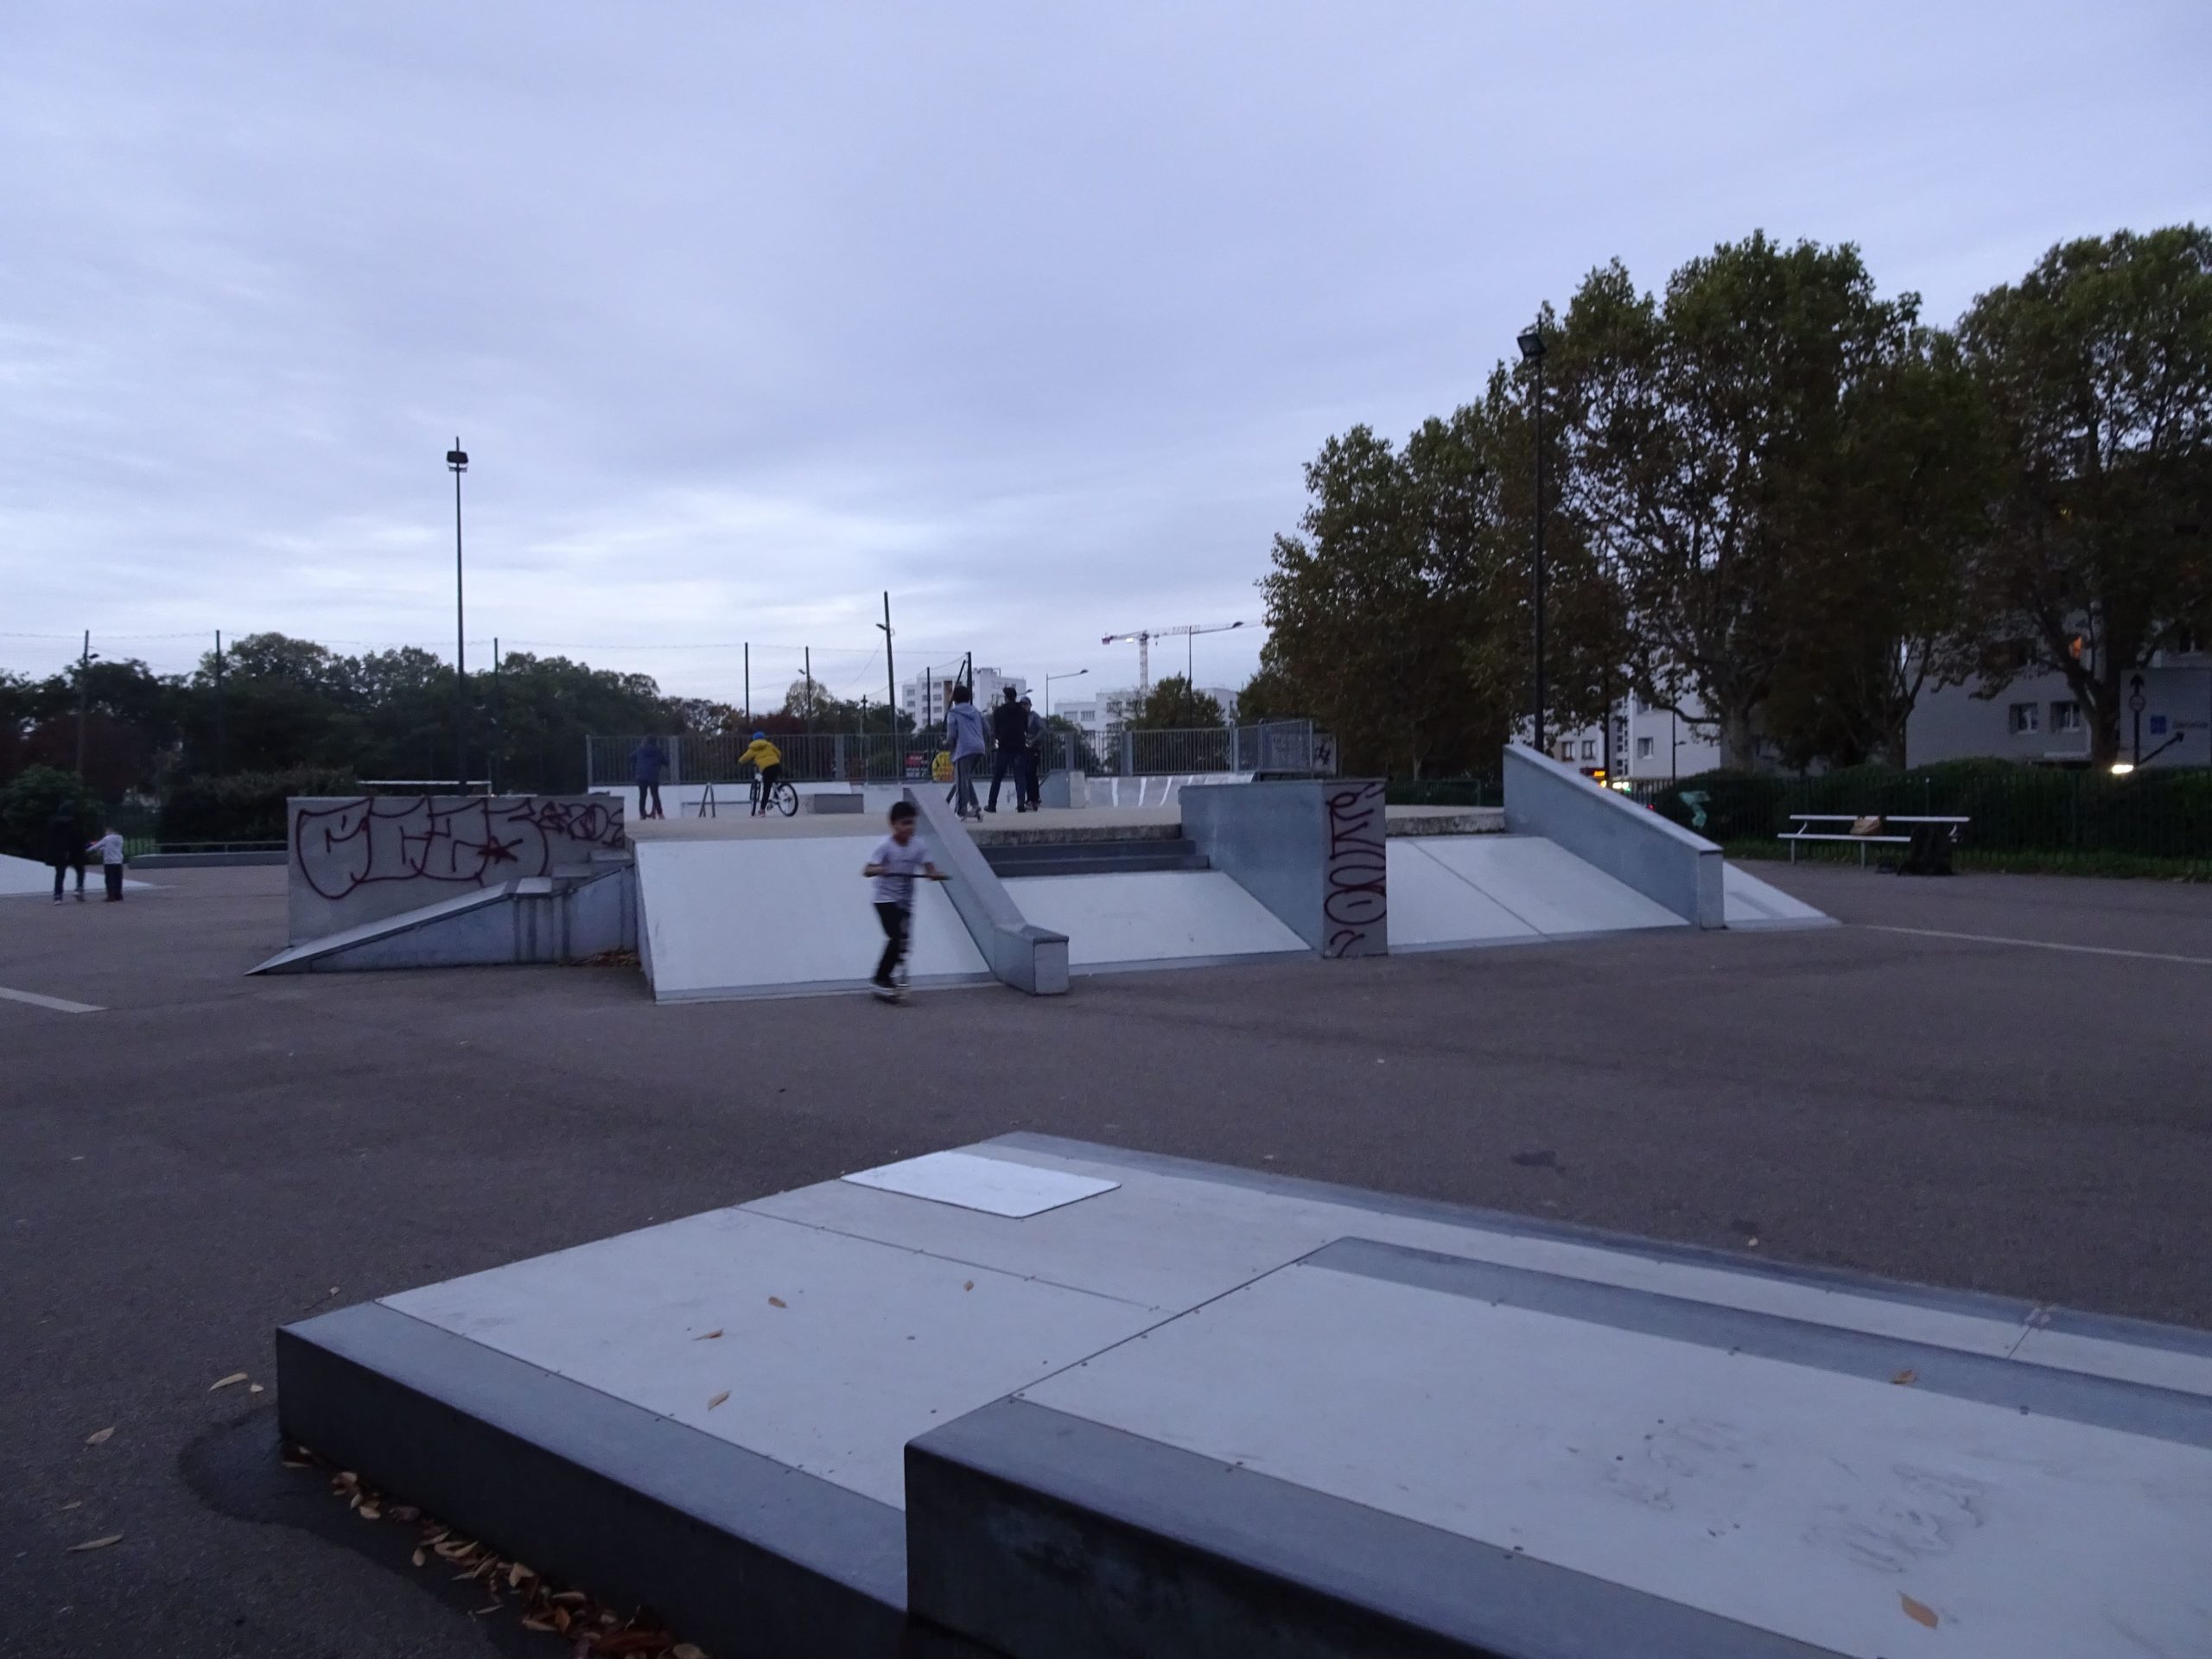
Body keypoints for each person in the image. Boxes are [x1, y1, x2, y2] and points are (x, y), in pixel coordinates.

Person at [861, 800, 946, 1001]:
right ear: (893, 824)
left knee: (903, 944)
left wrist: (934, 874)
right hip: (884, 900)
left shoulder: (918, 846)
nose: (909, 827)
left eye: (911, 823)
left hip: (906, 902)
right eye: (904, 823)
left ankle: (889, 978)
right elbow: (867, 870)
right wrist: (881, 869)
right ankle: (880, 978)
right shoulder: (885, 846)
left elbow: (930, 868)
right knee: (896, 937)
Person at [943, 684, 988, 821]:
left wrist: (945, 743)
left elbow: (951, 735)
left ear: (955, 699)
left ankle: (961, 810)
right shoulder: (976, 712)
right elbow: (987, 728)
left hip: (964, 749)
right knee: (965, 778)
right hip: (979, 748)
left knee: (961, 780)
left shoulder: (953, 713)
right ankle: (975, 806)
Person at [986, 684, 1028, 813]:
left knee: (997, 777)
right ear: (1015, 697)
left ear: (1005, 698)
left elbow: (995, 729)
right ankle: (1021, 803)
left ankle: (992, 805)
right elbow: (1026, 728)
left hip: (1004, 747)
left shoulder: (999, 711)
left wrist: (997, 739)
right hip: (1019, 746)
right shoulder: (1023, 711)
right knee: (1020, 777)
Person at [46, 804, 86, 904]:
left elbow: (50, 839)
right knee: (80, 870)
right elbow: (79, 837)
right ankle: (79, 888)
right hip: (74, 850)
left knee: (60, 874)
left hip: (60, 851)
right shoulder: (74, 823)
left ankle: (58, 896)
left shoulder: (54, 824)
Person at [738, 730, 784, 815]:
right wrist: (776, 759)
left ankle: (762, 810)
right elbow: (779, 753)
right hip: (776, 765)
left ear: (754, 739)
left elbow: (745, 758)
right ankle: (777, 795)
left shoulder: (753, 748)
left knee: (766, 789)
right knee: (775, 781)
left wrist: (740, 761)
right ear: (764, 738)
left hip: (766, 768)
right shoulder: (769, 745)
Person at [86, 823, 127, 902]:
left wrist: (88, 850)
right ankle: (118, 895)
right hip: (118, 861)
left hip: (109, 862)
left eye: (106, 832)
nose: (105, 833)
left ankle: (110, 896)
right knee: (118, 879)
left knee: (109, 879)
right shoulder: (120, 838)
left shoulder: (107, 838)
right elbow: (108, 847)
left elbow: (97, 846)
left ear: (109, 831)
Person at [630, 738, 667, 819]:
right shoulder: (658, 751)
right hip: (653, 776)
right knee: (655, 795)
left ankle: (642, 814)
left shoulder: (640, 750)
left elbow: (631, 758)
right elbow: (666, 762)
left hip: (641, 776)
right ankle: (660, 814)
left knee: (642, 795)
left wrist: (639, 763)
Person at [1019, 696, 1045, 811]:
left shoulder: (1034, 716)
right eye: (1022, 704)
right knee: (1025, 773)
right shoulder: (1020, 718)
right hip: (1024, 748)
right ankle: (1029, 799)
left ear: (1030, 705)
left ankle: (1034, 799)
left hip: (1034, 748)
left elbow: (1043, 729)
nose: (1024, 706)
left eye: (1026, 704)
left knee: (1031, 772)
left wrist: (1034, 740)